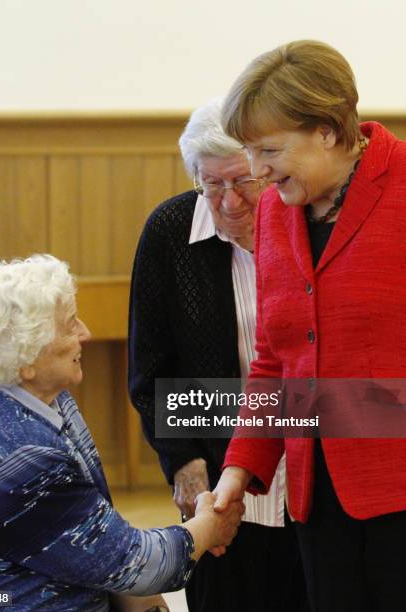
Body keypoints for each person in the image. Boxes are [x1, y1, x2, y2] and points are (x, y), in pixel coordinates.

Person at [214, 40, 406, 612]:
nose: (256, 170)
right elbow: (276, 358)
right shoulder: (276, 208)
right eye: (248, 151)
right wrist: (240, 466)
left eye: (270, 149)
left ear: (327, 129)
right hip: (316, 495)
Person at [0, 254, 244, 612]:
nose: (86, 332)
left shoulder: (2, 393)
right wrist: (209, 526)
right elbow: (134, 564)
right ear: (27, 359)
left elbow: (93, 539)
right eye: (70, 325)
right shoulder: (25, 458)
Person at [129, 99, 308, 612]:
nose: (228, 202)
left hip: (308, 480)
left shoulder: (305, 223)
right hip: (221, 489)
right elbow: (150, 371)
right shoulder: (170, 233)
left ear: (266, 170)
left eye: (242, 182)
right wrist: (182, 458)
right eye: (211, 185)